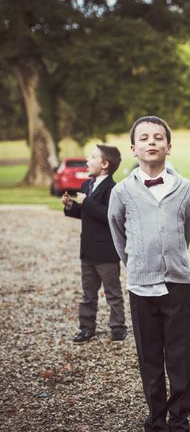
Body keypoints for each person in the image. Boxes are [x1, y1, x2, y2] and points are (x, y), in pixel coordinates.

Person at [108, 116, 190, 432]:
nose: (151, 142)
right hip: (141, 286)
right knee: (150, 361)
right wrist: (138, 263)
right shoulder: (122, 192)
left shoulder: (185, 189)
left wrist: (169, 258)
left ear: (168, 147)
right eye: (143, 138)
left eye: (158, 137)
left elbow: (186, 229)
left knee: (178, 359)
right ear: (133, 148)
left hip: (177, 284)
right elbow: (119, 234)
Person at [61, 144, 126, 343]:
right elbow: (85, 214)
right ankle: (87, 328)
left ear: (105, 164)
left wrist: (86, 202)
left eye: (92, 157)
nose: (87, 161)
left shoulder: (113, 190)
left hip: (106, 253)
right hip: (88, 251)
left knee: (112, 293)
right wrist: (72, 206)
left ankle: (118, 327)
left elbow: (110, 217)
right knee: (88, 294)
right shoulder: (86, 186)